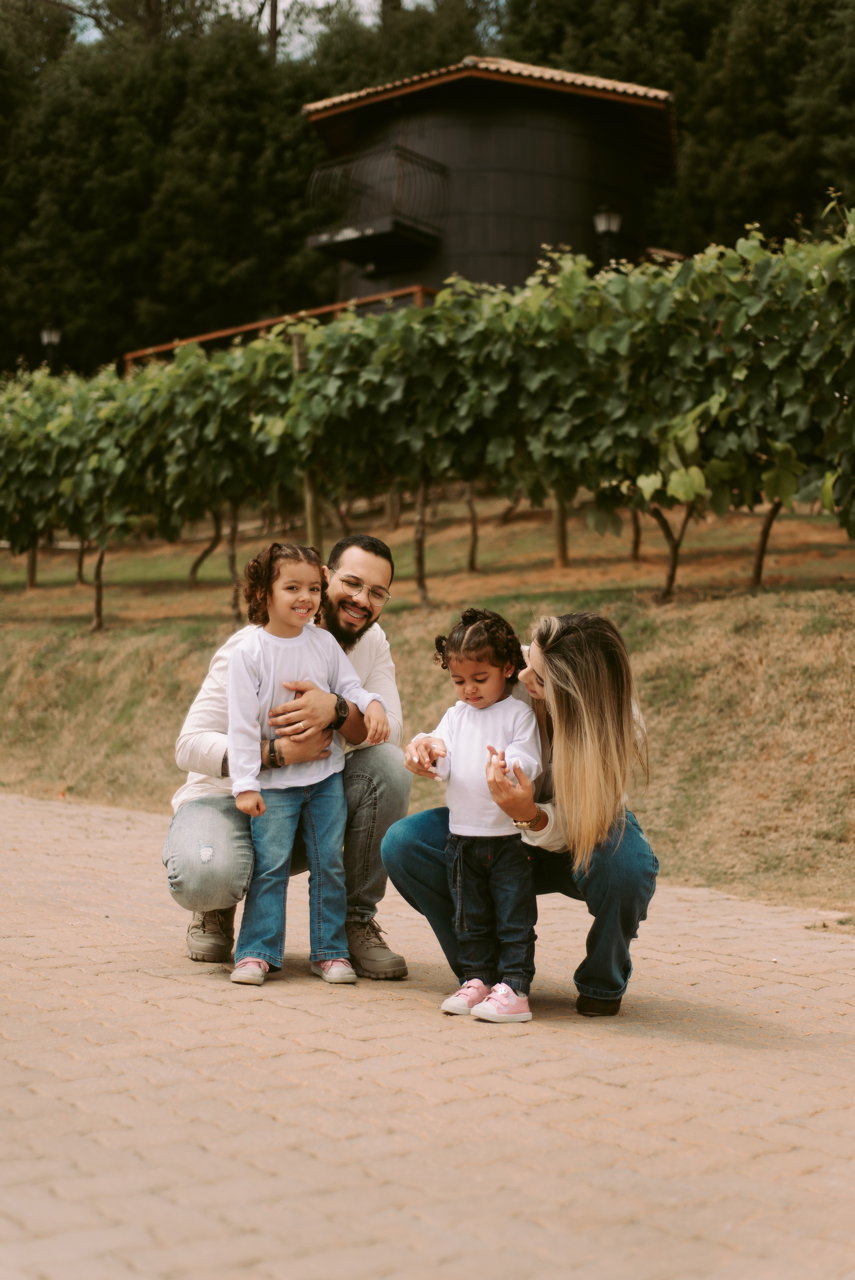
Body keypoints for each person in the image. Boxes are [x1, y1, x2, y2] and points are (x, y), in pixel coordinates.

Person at [383, 612, 658, 1017]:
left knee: (626, 869)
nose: (525, 678)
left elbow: (591, 821)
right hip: (490, 837)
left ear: (575, 691)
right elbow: (450, 729)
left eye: (541, 678)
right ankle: (484, 974)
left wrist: (529, 816)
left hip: (571, 837)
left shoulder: (616, 723)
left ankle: (603, 980)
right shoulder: (497, 671)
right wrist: (422, 747)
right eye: (529, 661)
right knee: (404, 844)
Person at [162, 533, 412, 978]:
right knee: (207, 876)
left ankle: (351, 925)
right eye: (351, 583)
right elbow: (189, 744)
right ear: (327, 576)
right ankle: (219, 905)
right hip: (225, 797)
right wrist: (275, 754)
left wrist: (335, 709)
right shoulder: (249, 649)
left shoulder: (367, 644)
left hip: (314, 791)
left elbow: (388, 728)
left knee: (389, 767)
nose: (361, 600)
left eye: (377, 593)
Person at [227, 542, 389, 987]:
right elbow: (240, 726)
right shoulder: (249, 652)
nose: (305, 598)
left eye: (314, 588)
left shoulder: (323, 643)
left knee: (328, 864)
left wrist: (371, 704)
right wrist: (245, 783)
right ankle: (257, 952)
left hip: (324, 780)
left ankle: (330, 951)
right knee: (271, 865)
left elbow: (350, 686)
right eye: (291, 587)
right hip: (274, 785)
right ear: (264, 593)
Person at [410, 610, 542, 1023]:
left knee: (512, 917)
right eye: (458, 680)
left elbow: (531, 758)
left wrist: (509, 763)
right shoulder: (456, 716)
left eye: (479, 679)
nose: (468, 689)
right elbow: (440, 754)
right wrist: (426, 751)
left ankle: (515, 989)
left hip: (506, 841)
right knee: (469, 918)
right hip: (462, 839)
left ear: (507, 668)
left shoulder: (517, 714)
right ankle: (478, 979)